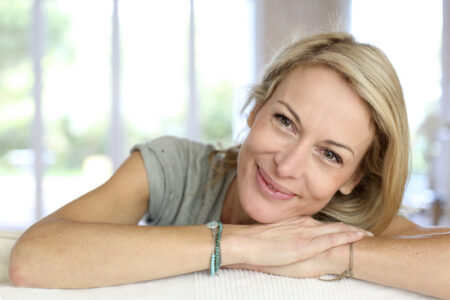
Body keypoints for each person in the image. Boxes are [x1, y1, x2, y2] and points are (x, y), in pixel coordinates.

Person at [8, 32, 450, 299]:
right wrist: (242, 244)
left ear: (353, 178)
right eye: (285, 122)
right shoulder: (177, 167)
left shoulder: (340, 223)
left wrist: (330, 253)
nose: (287, 164)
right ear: (255, 111)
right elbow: (34, 258)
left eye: (330, 154)